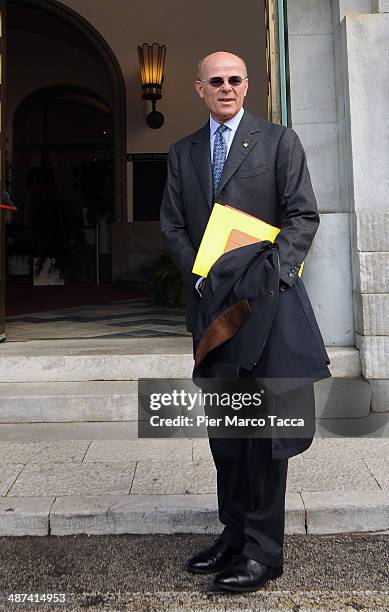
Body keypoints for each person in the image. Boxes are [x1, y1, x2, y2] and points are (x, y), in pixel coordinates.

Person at [160, 51, 328, 593]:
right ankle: (233, 533)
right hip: (211, 311)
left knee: (263, 434)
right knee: (227, 435)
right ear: (199, 88)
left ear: (247, 85)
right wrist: (200, 276)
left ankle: (264, 551)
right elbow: (173, 224)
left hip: (265, 311)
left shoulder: (279, 142)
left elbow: (303, 216)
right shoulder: (183, 152)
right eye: (216, 81)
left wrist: (271, 275)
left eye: (235, 79)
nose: (226, 87)